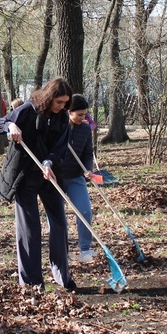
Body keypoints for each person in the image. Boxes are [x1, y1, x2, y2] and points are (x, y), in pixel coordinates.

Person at [0, 78, 76, 291]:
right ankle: (31, 283)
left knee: (59, 224)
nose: (62, 107)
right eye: (59, 102)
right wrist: (10, 126)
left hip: (49, 176)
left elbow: (59, 147)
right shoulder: (27, 110)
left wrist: (49, 162)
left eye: (65, 103)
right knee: (30, 229)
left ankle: (62, 276)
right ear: (49, 98)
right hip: (24, 176)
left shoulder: (62, 119)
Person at [56, 94, 96, 265]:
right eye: (79, 114)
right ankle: (60, 252)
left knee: (85, 211)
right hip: (56, 178)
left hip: (75, 177)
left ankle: (85, 249)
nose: (83, 118)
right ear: (69, 112)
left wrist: (88, 169)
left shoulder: (85, 129)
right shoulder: (58, 127)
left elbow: (88, 154)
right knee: (58, 217)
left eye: (85, 114)